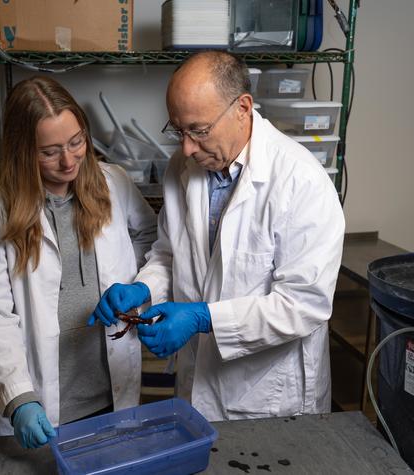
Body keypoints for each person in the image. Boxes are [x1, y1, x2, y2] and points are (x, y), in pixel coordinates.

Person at [90, 51, 345, 421]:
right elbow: (169, 254)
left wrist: (202, 318)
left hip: (268, 396)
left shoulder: (301, 181)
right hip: (198, 381)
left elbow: (304, 305)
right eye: (179, 131)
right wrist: (145, 288)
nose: (187, 148)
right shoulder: (185, 166)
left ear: (242, 107)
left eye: (199, 130)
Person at [0, 76, 157, 448]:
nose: (68, 161)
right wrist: (18, 397)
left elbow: (152, 241)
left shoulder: (112, 182)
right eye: (49, 151)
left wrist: (136, 288)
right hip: (42, 399)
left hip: (110, 387)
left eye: (76, 142)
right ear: (22, 151)